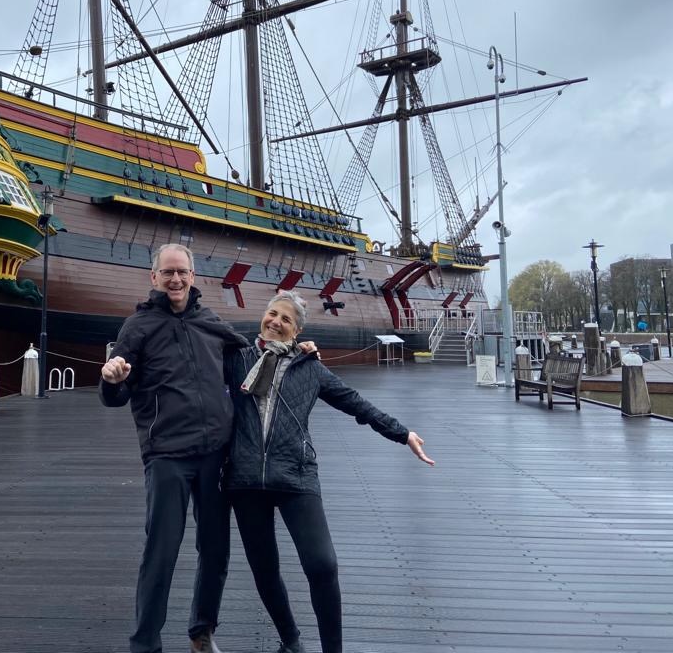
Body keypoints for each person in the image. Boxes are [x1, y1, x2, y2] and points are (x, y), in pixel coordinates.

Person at [224, 290, 435, 653]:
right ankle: (291, 640)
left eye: (286, 319)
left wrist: (403, 434)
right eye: (272, 313)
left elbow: (355, 403)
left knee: (322, 565)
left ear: (297, 331)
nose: (276, 322)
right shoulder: (237, 357)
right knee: (264, 568)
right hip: (246, 478)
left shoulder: (309, 368)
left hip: (296, 474)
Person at [100, 244, 248, 653]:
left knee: (215, 550)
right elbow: (116, 392)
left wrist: (298, 349)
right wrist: (112, 380)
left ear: (193, 276)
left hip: (215, 454)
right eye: (168, 272)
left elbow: (250, 358)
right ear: (154, 277)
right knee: (161, 552)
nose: (176, 279)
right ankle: (145, 644)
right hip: (167, 454)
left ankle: (202, 632)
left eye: (182, 272)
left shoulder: (209, 322)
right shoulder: (138, 327)